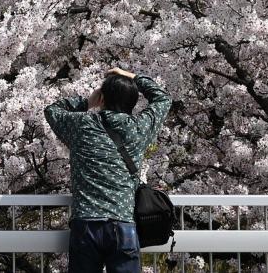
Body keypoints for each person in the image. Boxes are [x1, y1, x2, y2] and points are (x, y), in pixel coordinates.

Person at [44, 67, 172, 273]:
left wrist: (87, 102)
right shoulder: (138, 128)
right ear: (132, 101)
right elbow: (163, 99)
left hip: (86, 223)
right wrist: (134, 77)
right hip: (123, 225)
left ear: (102, 99)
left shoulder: (82, 124)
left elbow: (52, 110)